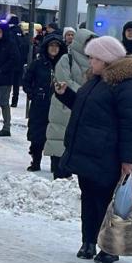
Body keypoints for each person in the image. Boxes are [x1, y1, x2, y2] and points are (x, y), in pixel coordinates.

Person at [54, 36, 132, 263]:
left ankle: (109, 247)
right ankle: (88, 242)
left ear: (106, 60)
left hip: (108, 154)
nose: (90, 62)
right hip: (88, 150)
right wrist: (65, 94)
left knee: (106, 202)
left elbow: (131, 125)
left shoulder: (127, 85)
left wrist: (127, 159)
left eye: (94, 57)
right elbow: (85, 108)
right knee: (88, 197)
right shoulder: (96, 80)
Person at [46, 28, 96, 179]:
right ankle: (59, 174)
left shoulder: (95, 62)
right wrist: (86, 93)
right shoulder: (66, 59)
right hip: (64, 105)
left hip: (83, 107)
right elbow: (64, 82)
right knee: (59, 139)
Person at [23, 34, 67, 171]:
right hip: (40, 105)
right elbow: (26, 80)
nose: (54, 49)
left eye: (57, 46)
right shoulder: (38, 64)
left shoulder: (64, 65)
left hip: (59, 106)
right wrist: (33, 94)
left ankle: (56, 164)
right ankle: (36, 161)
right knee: (37, 134)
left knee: (57, 135)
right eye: (51, 46)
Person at [8, 15, 29, 107]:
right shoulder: (22, 34)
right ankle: (14, 101)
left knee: (8, 82)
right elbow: (26, 48)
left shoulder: (9, 33)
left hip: (10, 62)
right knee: (16, 83)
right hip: (20, 63)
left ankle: (6, 100)